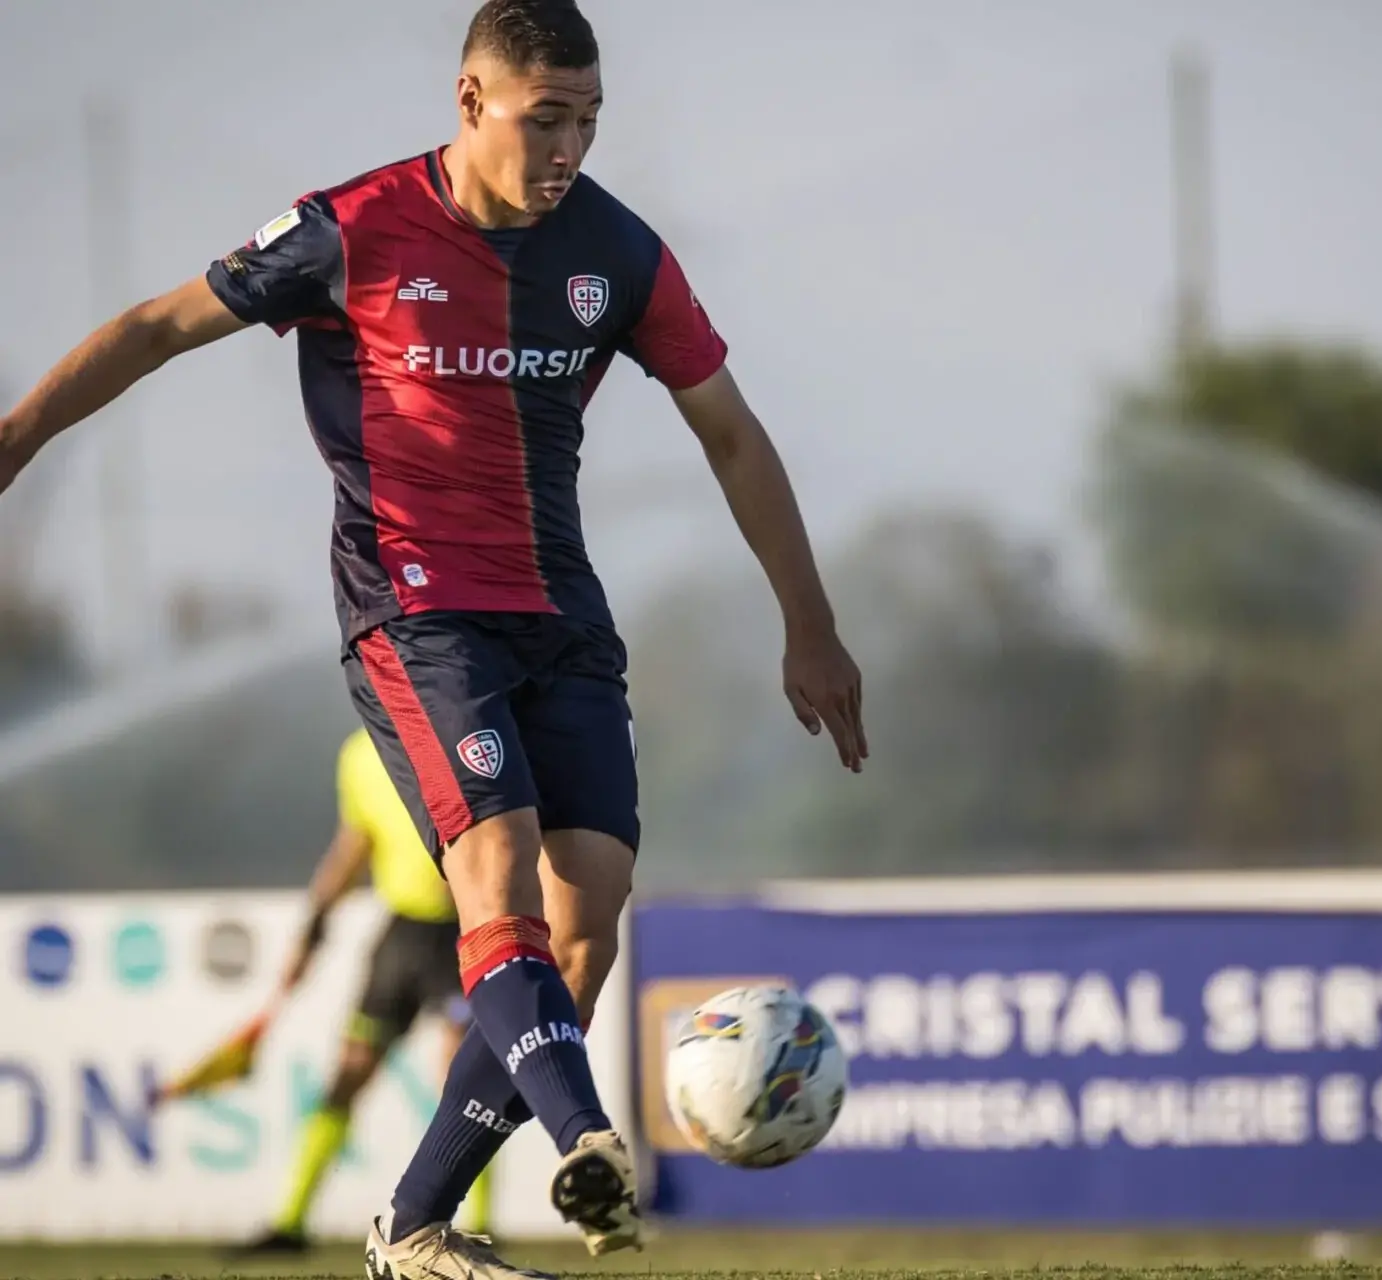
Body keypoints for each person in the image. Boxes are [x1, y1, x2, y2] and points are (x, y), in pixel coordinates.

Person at [0, 1, 867, 1275]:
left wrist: (811, 622)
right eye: (544, 117)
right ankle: (589, 1141)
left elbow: (728, 431)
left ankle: (411, 1227)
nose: (568, 145)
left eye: (587, 118)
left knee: (589, 924)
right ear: (471, 103)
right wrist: (15, 439)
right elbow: (151, 327)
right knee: (499, 872)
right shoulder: (347, 228)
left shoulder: (617, 253)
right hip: (414, 609)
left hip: (562, 616)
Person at [240, 727, 494, 1255]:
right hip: (401, 937)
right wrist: (314, 927)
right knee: (350, 1071)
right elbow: (355, 841)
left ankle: (477, 1224)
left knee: (462, 1073)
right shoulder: (360, 754)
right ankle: (290, 1221)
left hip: (466, 930)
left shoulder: (462, 736)